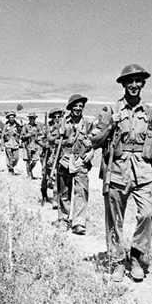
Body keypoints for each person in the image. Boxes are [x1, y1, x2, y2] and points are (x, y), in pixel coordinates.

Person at [91, 64, 152, 282]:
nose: (134, 85)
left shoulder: (149, 113)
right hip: (117, 170)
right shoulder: (111, 110)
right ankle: (118, 261)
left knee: (148, 214)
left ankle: (135, 255)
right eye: (129, 81)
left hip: (144, 171)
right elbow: (94, 141)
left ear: (143, 84)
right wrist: (110, 127)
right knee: (114, 219)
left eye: (138, 81)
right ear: (123, 84)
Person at [52, 94, 94, 235]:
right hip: (64, 160)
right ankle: (63, 219)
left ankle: (78, 223)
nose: (78, 108)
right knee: (64, 192)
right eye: (75, 106)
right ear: (70, 107)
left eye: (80, 106)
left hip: (81, 161)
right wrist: (63, 140)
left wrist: (91, 152)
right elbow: (51, 140)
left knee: (81, 192)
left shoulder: (88, 124)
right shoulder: (62, 122)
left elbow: (95, 141)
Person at [39, 107, 64, 207]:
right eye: (55, 117)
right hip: (48, 155)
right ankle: (44, 193)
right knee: (46, 176)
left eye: (59, 117)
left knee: (58, 177)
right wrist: (44, 145)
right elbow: (38, 139)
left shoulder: (64, 126)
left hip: (60, 155)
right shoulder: (47, 127)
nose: (57, 119)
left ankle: (55, 199)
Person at [20, 113, 42, 179]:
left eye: (34, 118)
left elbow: (41, 134)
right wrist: (28, 135)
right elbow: (21, 136)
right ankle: (29, 174)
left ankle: (30, 170)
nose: (33, 119)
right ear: (29, 119)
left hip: (35, 145)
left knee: (35, 160)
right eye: (31, 118)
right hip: (28, 145)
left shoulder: (37, 126)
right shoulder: (25, 126)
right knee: (28, 160)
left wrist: (38, 135)